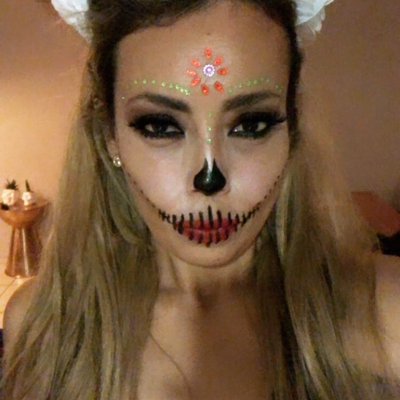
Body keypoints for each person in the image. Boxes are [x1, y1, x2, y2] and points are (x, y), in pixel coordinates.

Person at [2, 1, 400, 399]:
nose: (210, 178)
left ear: (291, 128)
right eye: (161, 126)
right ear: (110, 135)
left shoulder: (386, 313)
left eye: (251, 125)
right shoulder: (45, 328)